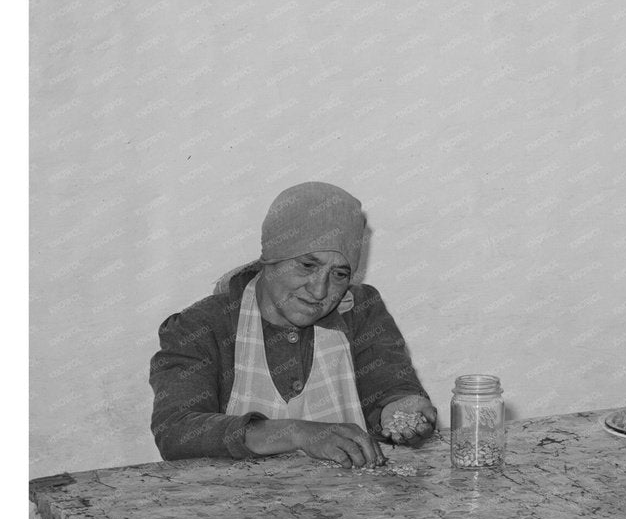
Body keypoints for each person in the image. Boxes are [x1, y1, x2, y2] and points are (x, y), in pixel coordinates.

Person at [150, 181, 438, 466]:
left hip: (348, 506)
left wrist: (398, 408)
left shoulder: (359, 312)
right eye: (307, 265)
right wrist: (298, 433)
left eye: (339, 274)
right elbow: (177, 431)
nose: (319, 291)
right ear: (271, 259)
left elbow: (389, 387)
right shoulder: (202, 327)